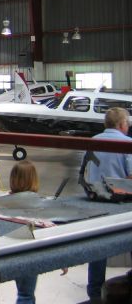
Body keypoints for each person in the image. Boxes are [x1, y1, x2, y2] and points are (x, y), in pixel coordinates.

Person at [85, 107, 132, 304]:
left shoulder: (92, 142)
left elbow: (85, 172)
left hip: (95, 203)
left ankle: (95, 293)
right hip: (121, 205)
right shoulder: (128, 144)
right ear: (122, 125)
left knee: (97, 247)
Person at [9, 160, 40, 304]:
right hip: (28, 253)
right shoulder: (37, 204)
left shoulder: (5, 201)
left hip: (10, 251)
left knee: (24, 293)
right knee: (26, 295)